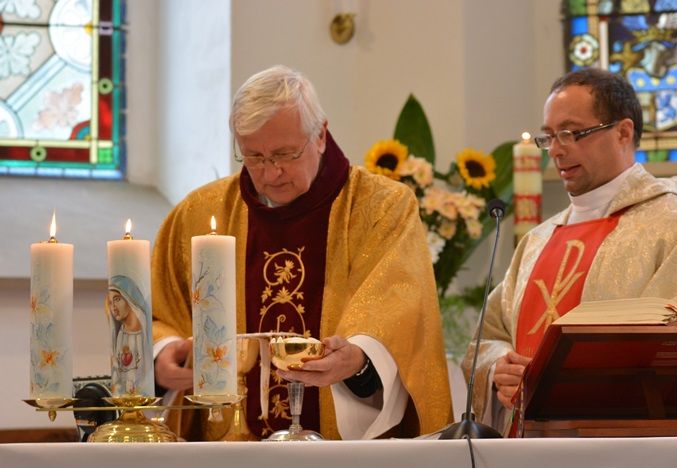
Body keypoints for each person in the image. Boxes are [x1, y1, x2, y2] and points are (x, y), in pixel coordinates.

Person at [152, 64, 452, 440]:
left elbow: (400, 311)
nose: (270, 173)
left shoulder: (381, 208)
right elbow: (157, 312)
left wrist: (358, 358)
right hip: (226, 446)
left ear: (321, 135)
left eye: (284, 154)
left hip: (341, 451)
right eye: (254, 157)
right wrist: (162, 356)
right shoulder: (200, 214)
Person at [462, 68, 677, 431]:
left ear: (623, 132)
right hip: (526, 451)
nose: (556, 149)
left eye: (571, 133)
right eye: (549, 136)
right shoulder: (539, 240)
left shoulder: (676, 228)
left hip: (624, 450)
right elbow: (487, 338)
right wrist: (498, 366)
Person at [108, 275, 153, 397]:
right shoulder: (120, 335)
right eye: (110, 302)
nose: (113, 308)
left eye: (117, 299)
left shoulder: (145, 332)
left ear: (129, 298)